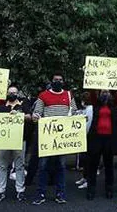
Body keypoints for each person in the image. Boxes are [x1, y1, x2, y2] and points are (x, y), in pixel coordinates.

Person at [31, 73, 77, 205]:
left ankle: (60, 194)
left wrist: (79, 117)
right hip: (47, 138)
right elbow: (38, 112)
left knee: (61, 166)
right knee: (43, 166)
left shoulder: (69, 95)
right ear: (52, 81)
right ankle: (40, 194)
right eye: (55, 80)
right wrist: (35, 116)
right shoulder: (43, 95)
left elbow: (74, 112)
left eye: (60, 80)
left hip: (62, 139)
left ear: (63, 81)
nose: (58, 81)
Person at [0, 85, 32, 202]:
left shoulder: (23, 105)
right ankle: (0, 191)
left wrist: (19, 115)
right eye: (10, 92)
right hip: (3, 141)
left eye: (14, 93)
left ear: (18, 94)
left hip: (20, 140)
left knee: (20, 166)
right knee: (2, 166)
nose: (12, 94)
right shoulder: (0, 107)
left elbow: (30, 117)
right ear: (6, 93)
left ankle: (20, 191)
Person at [86, 90, 117, 200]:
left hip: (109, 139)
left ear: (110, 95)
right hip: (96, 139)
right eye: (103, 92)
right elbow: (92, 92)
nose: (105, 94)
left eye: (107, 92)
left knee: (109, 166)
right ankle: (91, 190)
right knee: (93, 166)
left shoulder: (114, 106)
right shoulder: (96, 104)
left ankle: (109, 190)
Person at [75, 91, 93, 190]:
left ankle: (88, 180)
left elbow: (88, 124)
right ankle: (84, 177)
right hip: (84, 137)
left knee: (88, 160)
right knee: (84, 159)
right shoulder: (85, 109)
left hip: (87, 137)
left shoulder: (90, 109)